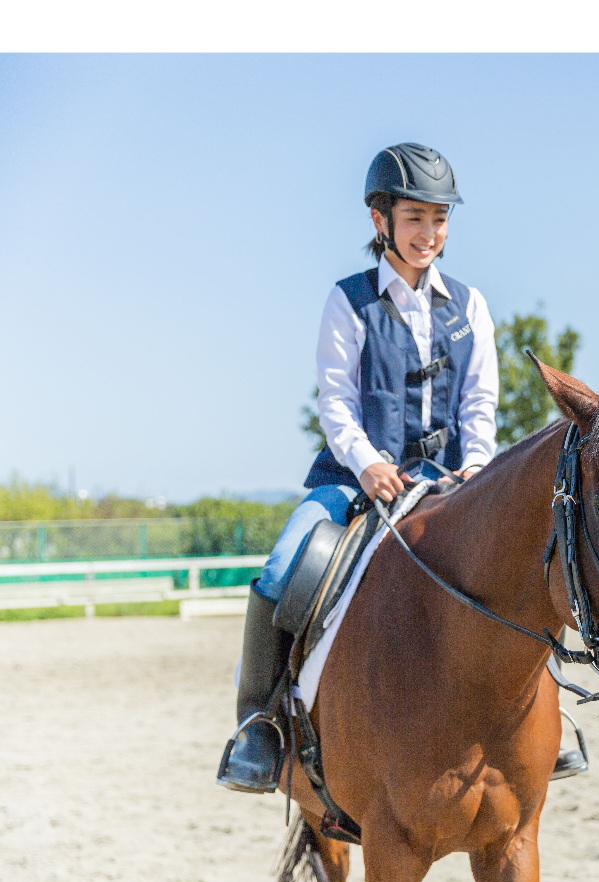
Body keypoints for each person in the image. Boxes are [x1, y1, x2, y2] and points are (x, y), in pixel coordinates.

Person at [217, 143, 500, 793]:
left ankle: (549, 718)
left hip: (451, 482)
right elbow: (336, 403)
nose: (429, 233)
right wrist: (370, 464)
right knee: (282, 566)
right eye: (415, 219)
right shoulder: (348, 302)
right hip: (353, 479)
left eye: (439, 219)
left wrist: (479, 467)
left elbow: (480, 403)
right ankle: (259, 726)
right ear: (382, 222)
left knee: (518, 559)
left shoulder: (472, 307)